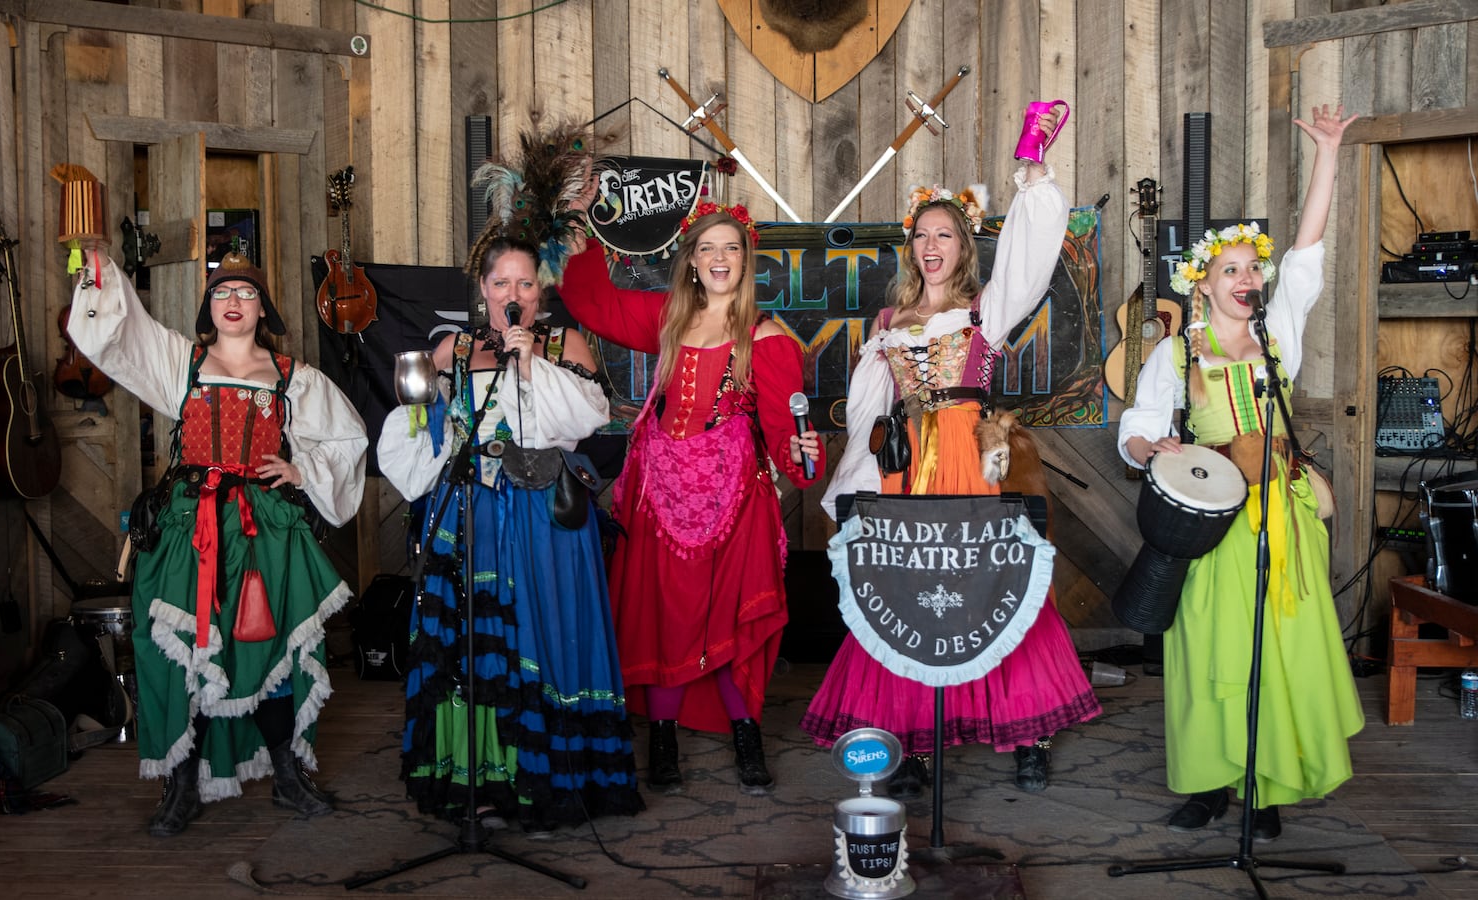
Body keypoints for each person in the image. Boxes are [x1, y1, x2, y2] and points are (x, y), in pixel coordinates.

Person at [802, 107, 1099, 797]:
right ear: (911, 248)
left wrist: (1032, 176)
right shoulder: (887, 325)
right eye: (922, 235)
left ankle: (1029, 730)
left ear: (965, 247)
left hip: (966, 457)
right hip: (905, 467)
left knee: (992, 583)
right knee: (905, 591)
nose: (932, 245)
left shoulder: (984, 313)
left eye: (945, 234)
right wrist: (854, 482)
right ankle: (913, 738)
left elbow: (1029, 261)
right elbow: (872, 410)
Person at [378, 131, 644, 832]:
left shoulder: (565, 345)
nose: (514, 293)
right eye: (501, 284)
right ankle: (482, 778)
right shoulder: (453, 349)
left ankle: (555, 773)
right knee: (476, 650)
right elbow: (417, 431)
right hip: (474, 516)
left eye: (526, 283)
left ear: (541, 289)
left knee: (546, 638)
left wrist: (530, 364)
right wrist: (420, 399)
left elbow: (584, 419)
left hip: (546, 516)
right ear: (482, 291)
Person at [1117, 104, 1362, 842]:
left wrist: (1329, 153)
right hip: (1214, 521)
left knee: (1276, 652)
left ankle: (1266, 785)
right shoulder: (1177, 354)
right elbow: (1136, 429)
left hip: (1281, 514)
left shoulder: (1278, 331)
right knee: (1209, 654)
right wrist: (1147, 450)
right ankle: (1209, 783)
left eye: (1253, 267)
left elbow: (1309, 252)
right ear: (1204, 285)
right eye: (1232, 270)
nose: (1248, 277)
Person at [66, 247, 367, 837]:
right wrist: (99, 269)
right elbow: (119, 335)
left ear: (263, 309)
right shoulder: (182, 363)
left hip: (262, 528)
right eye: (223, 292)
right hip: (190, 525)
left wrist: (301, 470)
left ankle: (287, 776)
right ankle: (182, 785)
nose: (234, 301)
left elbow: (347, 437)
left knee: (270, 649)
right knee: (185, 653)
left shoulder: (291, 377)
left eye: (246, 293)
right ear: (209, 306)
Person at [558, 199, 823, 795]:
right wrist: (580, 235)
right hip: (661, 488)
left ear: (745, 258)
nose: (719, 258)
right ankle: (663, 738)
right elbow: (598, 305)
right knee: (665, 616)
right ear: (692, 261)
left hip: (732, 493)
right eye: (707, 248)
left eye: (730, 247)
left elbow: (785, 432)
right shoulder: (670, 318)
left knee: (728, 614)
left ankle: (747, 737)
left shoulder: (767, 337)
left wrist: (801, 456)